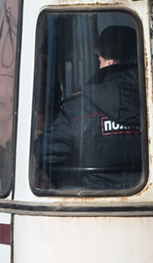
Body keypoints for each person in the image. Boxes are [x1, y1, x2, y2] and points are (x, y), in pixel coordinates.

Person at [37, 25, 143, 190]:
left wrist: (72, 183)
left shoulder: (77, 108)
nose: (98, 64)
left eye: (100, 59)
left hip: (93, 205)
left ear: (110, 61)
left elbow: (46, 151)